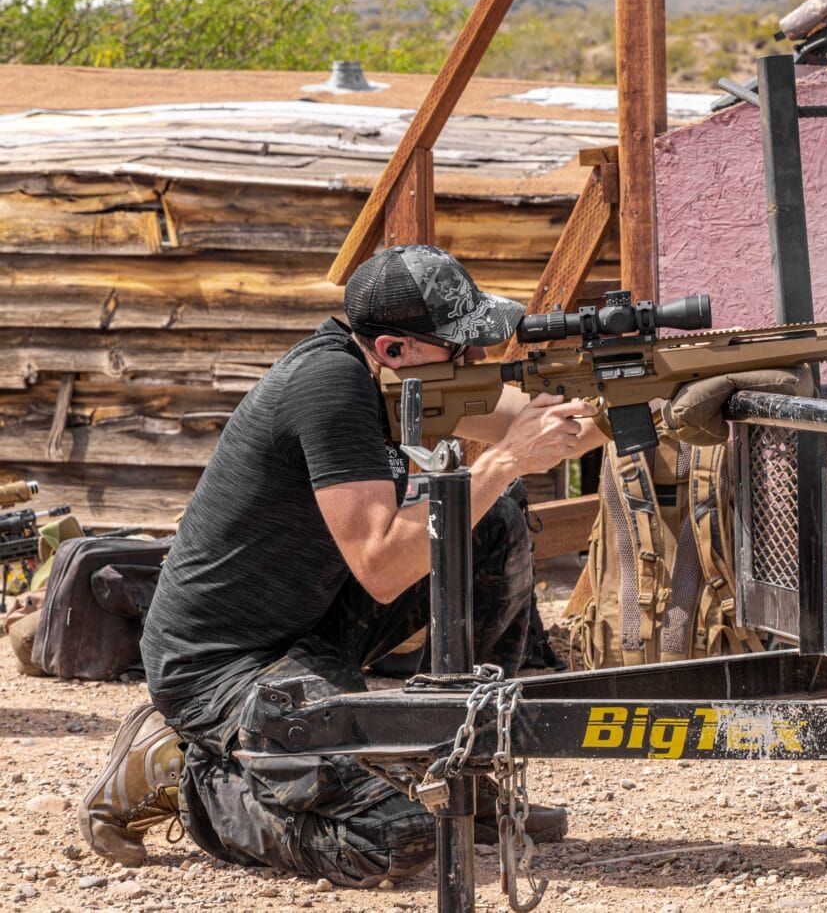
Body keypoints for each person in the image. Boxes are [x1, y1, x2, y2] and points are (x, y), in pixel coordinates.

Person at [78, 245, 609, 886]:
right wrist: (502, 462)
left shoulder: (405, 376)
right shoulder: (329, 387)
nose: (475, 362)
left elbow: (537, 425)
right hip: (221, 665)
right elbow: (383, 565)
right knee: (394, 838)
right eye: (460, 347)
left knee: (493, 521)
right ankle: (183, 774)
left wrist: (644, 403)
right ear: (393, 348)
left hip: (315, 617)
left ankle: (463, 762)